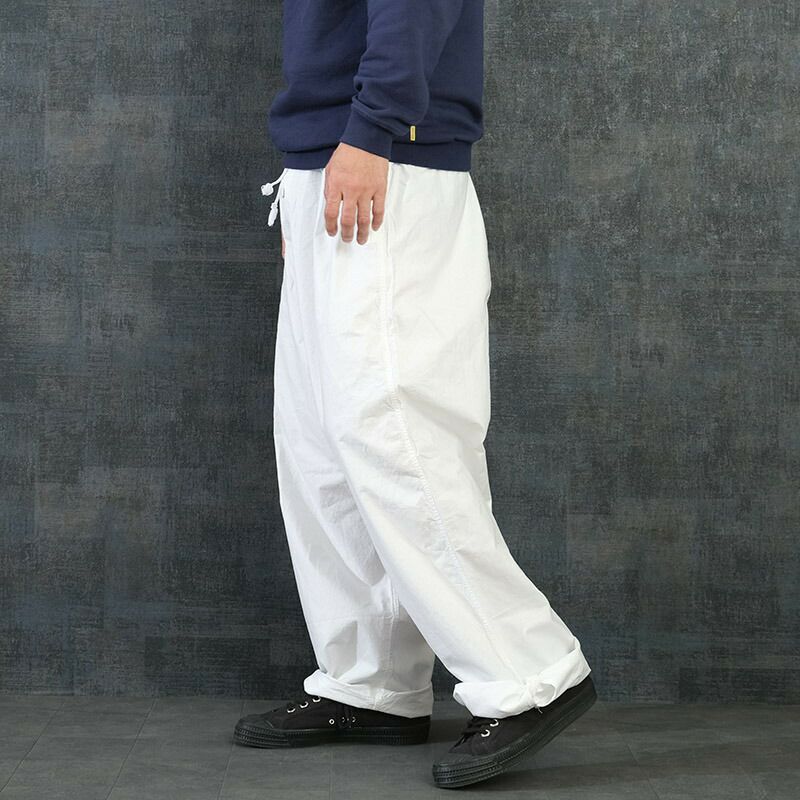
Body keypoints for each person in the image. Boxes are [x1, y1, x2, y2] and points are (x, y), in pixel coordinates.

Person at [233, 0, 596, 788]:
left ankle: (530, 675)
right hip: (328, 155)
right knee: (320, 446)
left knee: (394, 434)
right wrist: (312, 166)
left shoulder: (378, 135)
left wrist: (373, 130)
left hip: (387, 152)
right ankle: (372, 682)